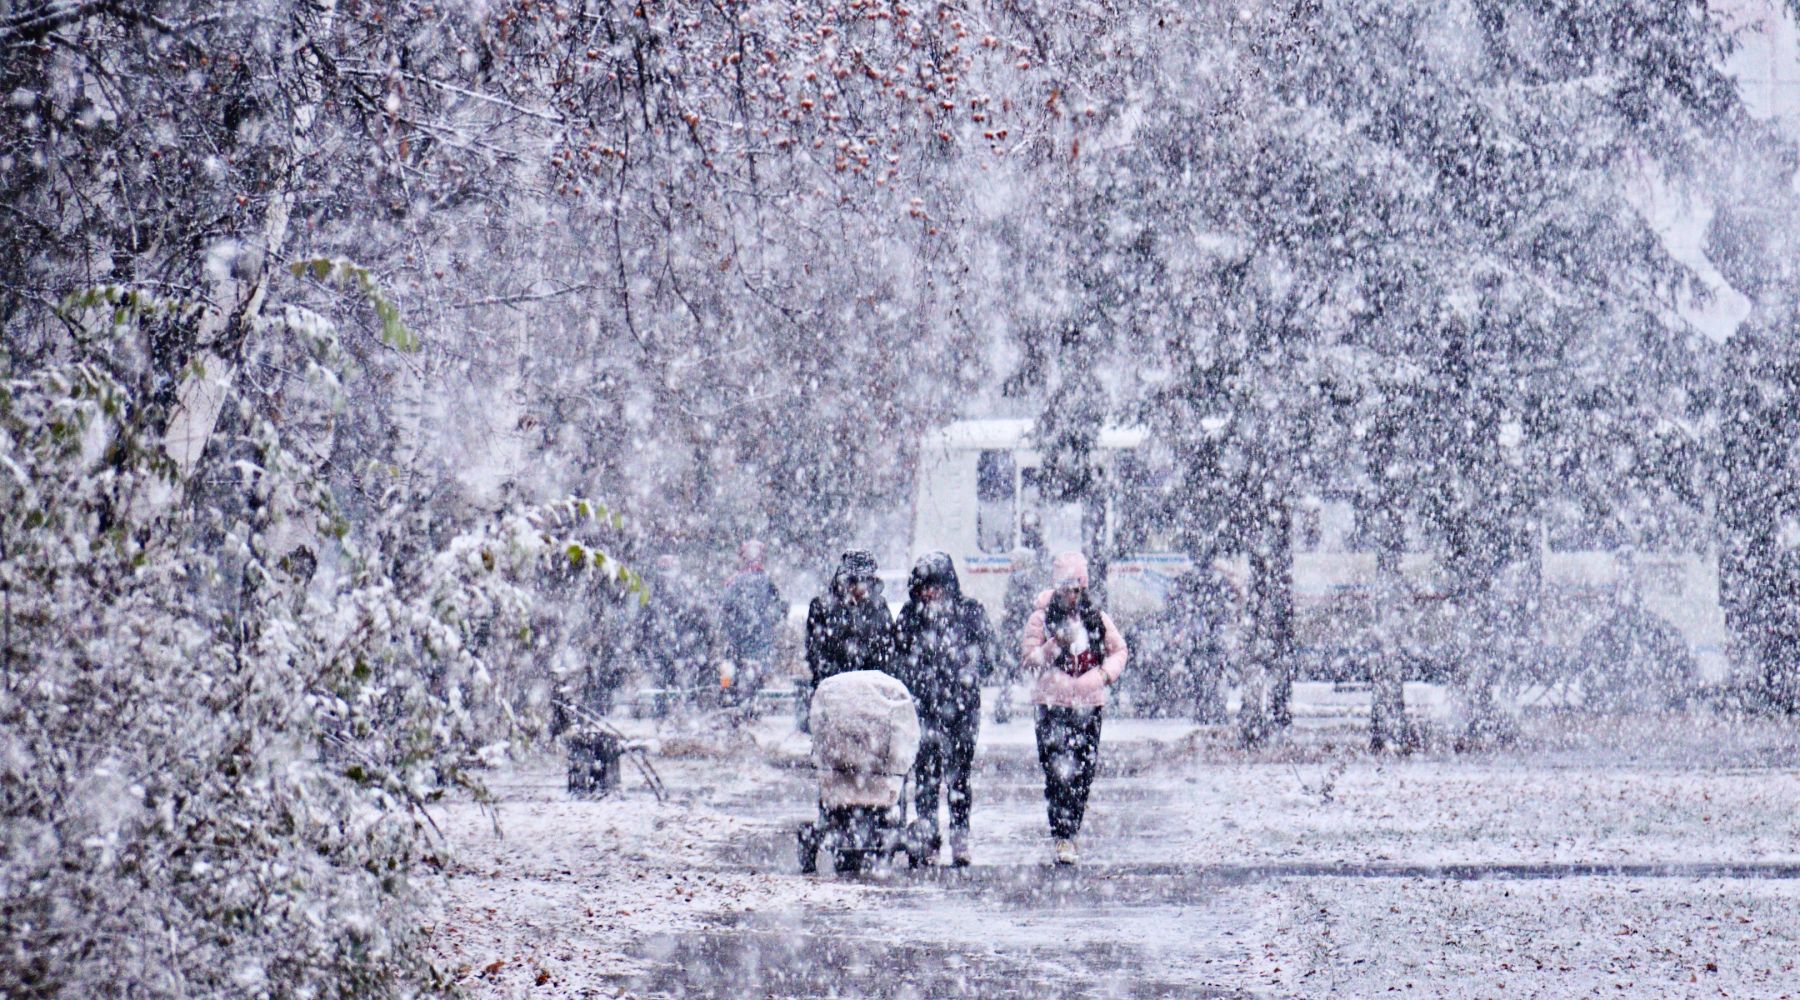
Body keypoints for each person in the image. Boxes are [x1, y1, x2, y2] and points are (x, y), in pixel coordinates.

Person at [1020, 551, 1128, 865]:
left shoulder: (1096, 616)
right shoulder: (1040, 619)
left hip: (1089, 704)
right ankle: (1062, 834)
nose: (1073, 595)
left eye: (1078, 589)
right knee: (1056, 773)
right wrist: (1056, 644)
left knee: (1083, 772)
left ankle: (1073, 827)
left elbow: (1119, 650)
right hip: (1051, 706)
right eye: (1068, 588)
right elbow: (1029, 661)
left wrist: (1104, 675)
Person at [892, 552, 998, 867]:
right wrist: (918, 678)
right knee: (925, 777)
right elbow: (897, 659)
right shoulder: (911, 617)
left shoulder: (970, 613)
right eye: (924, 586)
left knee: (958, 777)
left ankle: (960, 840)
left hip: (961, 708)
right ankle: (928, 840)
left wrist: (964, 673)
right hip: (922, 708)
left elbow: (988, 658)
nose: (929, 593)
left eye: (934, 585)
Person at [804, 550, 896, 697]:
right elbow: (816, 652)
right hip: (834, 691)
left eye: (864, 581)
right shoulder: (822, 607)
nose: (858, 588)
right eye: (852, 581)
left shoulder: (878, 607)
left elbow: (887, 649)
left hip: (871, 692)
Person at [636, 554, 714, 714]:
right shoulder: (687, 591)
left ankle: (668, 718)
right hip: (676, 652)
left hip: (669, 651)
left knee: (666, 690)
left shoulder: (652, 594)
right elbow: (703, 621)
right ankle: (681, 716)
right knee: (679, 690)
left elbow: (643, 625)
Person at [719, 539, 785, 706]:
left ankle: (733, 702)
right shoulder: (768, 583)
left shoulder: (733, 583)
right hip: (758, 641)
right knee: (753, 674)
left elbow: (724, 609)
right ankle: (749, 705)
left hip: (738, 640)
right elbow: (779, 609)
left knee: (732, 673)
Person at [994, 545, 1048, 724]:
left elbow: (1014, 607)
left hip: (1016, 632)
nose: (1011, 563)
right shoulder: (1028, 579)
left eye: (1014, 560)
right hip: (1021, 631)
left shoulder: (1018, 580)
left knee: (1008, 674)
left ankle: (1003, 708)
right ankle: (1042, 707)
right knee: (1035, 671)